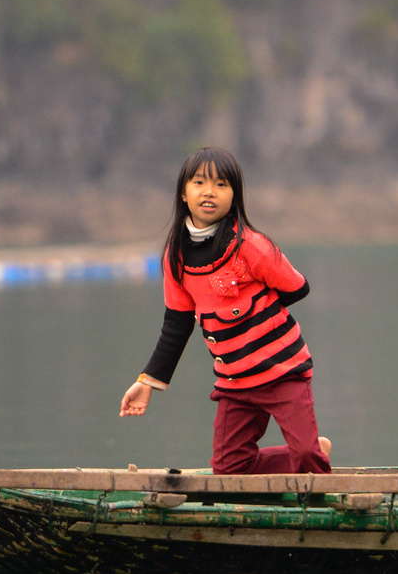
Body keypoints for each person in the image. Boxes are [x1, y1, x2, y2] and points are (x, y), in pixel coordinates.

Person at [120, 147, 332, 476]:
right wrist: (148, 381)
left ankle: (314, 475)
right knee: (229, 470)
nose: (209, 192)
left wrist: (252, 318)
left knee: (306, 455)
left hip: (283, 371)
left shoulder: (252, 246)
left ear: (234, 197)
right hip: (235, 382)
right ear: (183, 192)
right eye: (199, 182)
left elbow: (296, 287)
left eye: (221, 185)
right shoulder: (175, 259)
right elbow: (176, 326)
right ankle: (310, 452)